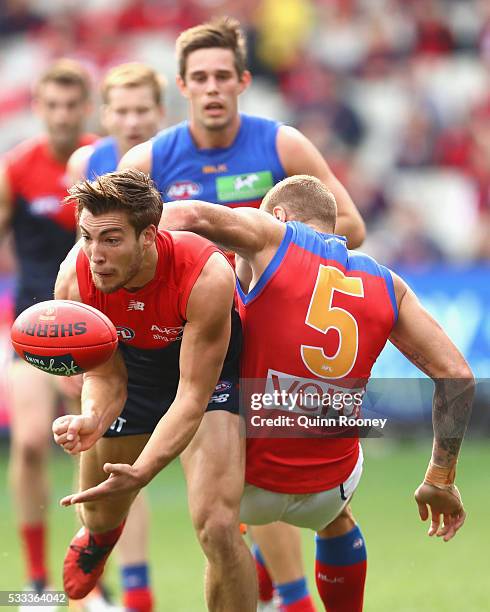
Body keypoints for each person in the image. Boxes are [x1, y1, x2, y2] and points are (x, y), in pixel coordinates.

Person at [118, 16, 365, 609]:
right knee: (224, 507)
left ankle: (291, 595)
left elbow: (350, 227)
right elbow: (110, 245)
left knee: (318, 501)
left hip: (276, 339)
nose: (212, 87)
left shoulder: (282, 145)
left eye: (223, 76)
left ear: (243, 81)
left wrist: (272, 246)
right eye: (200, 77)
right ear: (182, 86)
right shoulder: (150, 159)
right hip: (201, 343)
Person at [154, 175, 473, 611]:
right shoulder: (389, 284)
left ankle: (259, 576)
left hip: (246, 479)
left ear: (280, 216)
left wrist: (110, 244)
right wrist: (440, 477)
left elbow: (187, 214)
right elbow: (457, 375)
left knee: (222, 526)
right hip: (330, 487)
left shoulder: (271, 235)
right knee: (337, 520)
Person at [52, 168, 257, 612]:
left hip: (211, 377)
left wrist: (144, 469)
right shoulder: (74, 279)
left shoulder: (204, 274)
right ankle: (100, 538)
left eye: (111, 239)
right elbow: (106, 377)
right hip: (137, 368)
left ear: (148, 236)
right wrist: (92, 417)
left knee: (219, 526)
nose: (95, 255)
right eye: (87, 237)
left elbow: (191, 397)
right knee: (98, 512)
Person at [0, 59, 104, 610]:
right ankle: (39, 580)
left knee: (93, 450)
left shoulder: (105, 167)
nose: (62, 116)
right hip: (33, 330)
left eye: (72, 105)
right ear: (39, 109)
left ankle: (89, 574)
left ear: (85, 107)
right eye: (52, 106)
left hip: (99, 333)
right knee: (32, 441)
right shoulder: (16, 169)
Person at [67, 62, 166, 612]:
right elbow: (86, 256)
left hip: (184, 324)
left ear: (159, 111)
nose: (131, 121)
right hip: (111, 335)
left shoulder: (171, 160)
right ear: (105, 115)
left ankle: (271, 588)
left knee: (229, 489)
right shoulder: (87, 165)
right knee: (107, 472)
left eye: (140, 109)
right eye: (120, 110)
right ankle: (109, 591)